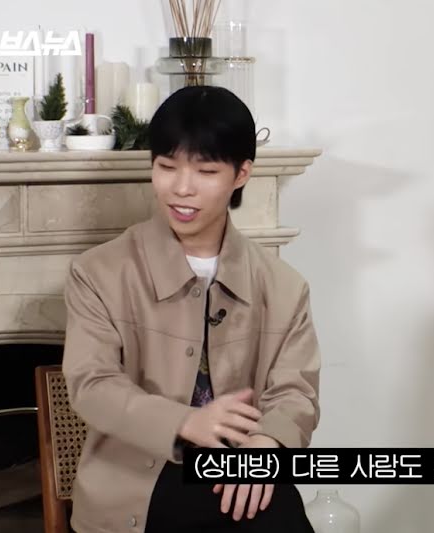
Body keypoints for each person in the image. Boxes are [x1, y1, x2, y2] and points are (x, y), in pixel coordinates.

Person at [62, 85, 320, 533]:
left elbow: (295, 392)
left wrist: (265, 443)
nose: (181, 188)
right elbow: (93, 384)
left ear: (241, 174)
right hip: (136, 480)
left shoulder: (283, 286)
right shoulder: (98, 272)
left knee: (277, 511)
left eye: (206, 171)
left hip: (240, 468)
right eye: (166, 167)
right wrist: (186, 422)